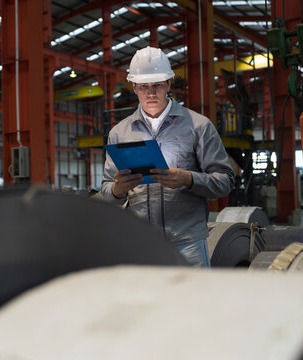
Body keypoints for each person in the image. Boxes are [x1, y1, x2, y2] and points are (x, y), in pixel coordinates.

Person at [99, 46, 235, 267]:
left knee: (192, 302)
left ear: (169, 84)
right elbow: (106, 190)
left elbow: (225, 181)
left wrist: (189, 179)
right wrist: (117, 190)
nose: (151, 93)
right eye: (144, 87)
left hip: (187, 244)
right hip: (140, 244)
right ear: (134, 86)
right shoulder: (119, 133)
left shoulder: (198, 126)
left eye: (158, 85)